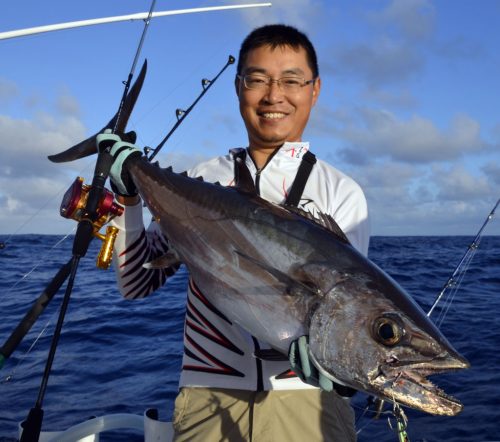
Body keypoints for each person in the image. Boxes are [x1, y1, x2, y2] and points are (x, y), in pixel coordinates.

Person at [100, 24, 369, 442]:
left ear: (315, 89)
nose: (273, 95)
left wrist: (340, 371)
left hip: (308, 402)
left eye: (291, 80)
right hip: (208, 396)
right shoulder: (203, 180)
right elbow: (137, 282)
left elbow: (350, 308)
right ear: (238, 87)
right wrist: (130, 200)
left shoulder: (341, 194)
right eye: (257, 79)